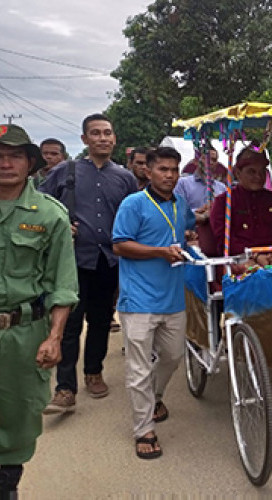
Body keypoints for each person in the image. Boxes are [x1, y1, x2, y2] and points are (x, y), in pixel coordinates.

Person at [40, 113, 138, 412]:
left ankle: (94, 372)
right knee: (69, 324)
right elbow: (41, 205)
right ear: (84, 139)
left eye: (107, 132)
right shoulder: (64, 171)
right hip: (72, 261)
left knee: (99, 321)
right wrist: (58, 225)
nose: (103, 138)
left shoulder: (125, 178)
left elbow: (137, 214)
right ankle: (65, 388)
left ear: (115, 138)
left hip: (108, 262)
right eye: (95, 133)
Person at [0, 124, 78, 496]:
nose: (5, 163)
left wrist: (55, 336)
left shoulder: (50, 215)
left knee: (16, 422)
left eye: (14, 155)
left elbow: (62, 284)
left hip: (21, 334)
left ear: (30, 162)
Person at [112, 146, 196, 459]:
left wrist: (194, 232)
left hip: (173, 297)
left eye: (174, 170)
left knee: (173, 356)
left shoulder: (181, 203)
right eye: (163, 169)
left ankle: (155, 396)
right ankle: (143, 429)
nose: (170, 176)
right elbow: (119, 244)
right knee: (138, 366)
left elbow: (187, 227)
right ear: (148, 170)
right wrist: (159, 251)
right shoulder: (133, 204)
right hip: (138, 300)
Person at [210, 143, 272, 265]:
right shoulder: (224, 202)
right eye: (251, 172)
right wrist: (255, 256)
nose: (258, 176)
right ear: (238, 173)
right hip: (238, 260)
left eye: (262, 171)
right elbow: (223, 240)